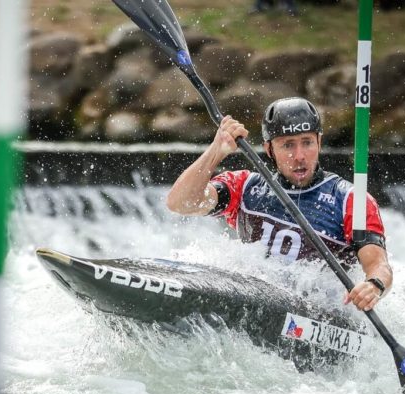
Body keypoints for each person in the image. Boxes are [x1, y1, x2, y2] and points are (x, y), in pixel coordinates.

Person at [165, 97, 392, 312]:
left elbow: (379, 265)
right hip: (255, 305)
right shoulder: (244, 187)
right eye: (287, 145)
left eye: (307, 142)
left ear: (319, 142)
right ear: (269, 149)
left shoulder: (351, 200)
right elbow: (180, 203)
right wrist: (217, 150)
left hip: (323, 315)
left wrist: (373, 285)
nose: (299, 155)